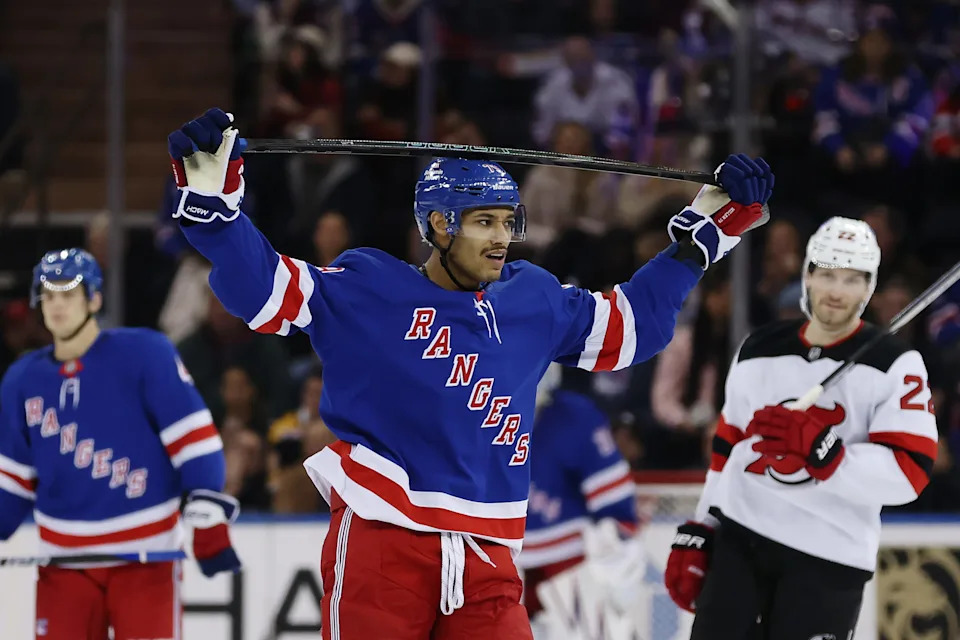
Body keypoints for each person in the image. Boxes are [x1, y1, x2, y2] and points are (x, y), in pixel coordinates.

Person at [167, 107, 773, 639]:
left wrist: (702, 237)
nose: (502, 238)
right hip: (386, 538)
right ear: (438, 225)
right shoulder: (371, 287)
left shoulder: (534, 299)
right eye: (485, 222)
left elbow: (630, 328)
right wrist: (216, 214)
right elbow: (265, 290)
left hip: (490, 554)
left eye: (510, 223)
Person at [665, 217, 939, 640]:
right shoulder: (759, 348)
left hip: (828, 557)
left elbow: (911, 472)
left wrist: (828, 453)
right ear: (807, 275)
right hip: (742, 539)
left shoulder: (895, 364)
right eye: (827, 274)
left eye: (851, 279)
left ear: (869, 287)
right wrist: (704, 527)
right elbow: (727, 448)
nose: (836, 291)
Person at [0, 249, 241, 640]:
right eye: (49, 295)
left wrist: (206, 507)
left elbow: (194, 439)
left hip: (146, 559)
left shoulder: (145, 354)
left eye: (69, 293)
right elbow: (10, 487)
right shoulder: (21, 380)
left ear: (94, 299)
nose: (57, 305)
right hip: (63, 566)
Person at [518, 363, 639, 621]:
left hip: (566, 569)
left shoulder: (576, 416)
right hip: (495, 560)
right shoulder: (479, 413)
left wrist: (612, 546)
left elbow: (617, 508)